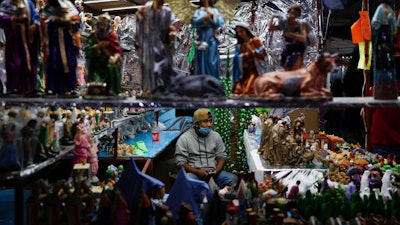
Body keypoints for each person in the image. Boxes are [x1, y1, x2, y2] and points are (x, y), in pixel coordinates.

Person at [175, 108, 237, 188]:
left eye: (210, 121)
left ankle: (222, 198)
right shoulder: (184, 138)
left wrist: (216, 171)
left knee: (233, 179)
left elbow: (221, 156)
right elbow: (180, 162)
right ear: (196, 124)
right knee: (187, 181)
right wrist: (198, 172)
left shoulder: (216, 136)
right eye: (205, 121)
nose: (209, 124)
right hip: (194, 173)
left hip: (214, 172)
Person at [135, 0, 176, 96]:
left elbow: (170, 27)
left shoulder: (167, 11)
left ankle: (162, 88)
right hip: (148, 43)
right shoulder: (146, 9)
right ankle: (148, 89)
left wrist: (171, 32)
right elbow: (140, 25)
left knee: (162, 66)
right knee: (147, 66)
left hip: (162, 43)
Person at [40, 0, 81, 96]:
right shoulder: (47, 7)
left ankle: (69, 87)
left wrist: (68, 20)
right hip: (54, 42)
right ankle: (52, 87)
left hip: (68, 42)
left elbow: (76, 21)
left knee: (69, 62)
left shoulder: (68, 4)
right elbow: (42, 22)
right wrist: (53, 21)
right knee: (53, 63)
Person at [0, 0, 40, 96]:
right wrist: (12, 19)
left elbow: (35, 17)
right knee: (15, 63)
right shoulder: (6, 4)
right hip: (13, 38)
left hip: (27, 39)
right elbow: (1, 18)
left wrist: (35, 25)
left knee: (28, 63)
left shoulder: (27, 3)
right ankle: (14, 87)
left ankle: (29, 88)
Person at [85, 12, 123, 96]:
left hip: (108, 61)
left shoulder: (112, 36)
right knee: (95, 73)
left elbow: (118, 51)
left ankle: (112, 90)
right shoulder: (93, 36)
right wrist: (97, 47)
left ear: (108, 26)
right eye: (101, 25)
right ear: (98, 25)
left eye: (104, 25)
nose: (103, 27)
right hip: (96, 64)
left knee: (112, 67)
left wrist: (116, 57)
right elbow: (87, 50)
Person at [371, 0, 397, 100]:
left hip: (387, 34)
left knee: (389, 58)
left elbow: (394, 25)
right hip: (382, 34)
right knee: (382, 57)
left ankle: (389, 86)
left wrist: (390, 17)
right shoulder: (381, 8)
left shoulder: (389, 9)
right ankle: (381, 87)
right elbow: (374, 23)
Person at [268, 4, 307, 71]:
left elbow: (303, 38)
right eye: (292, 13)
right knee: (286, 70)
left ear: (298, 15)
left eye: (295, 14)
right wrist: (273, 17)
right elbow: (271, 28)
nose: (293, 15)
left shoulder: (300, 26)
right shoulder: (286, 25)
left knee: (294, 71)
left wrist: (291, 35)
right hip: (287, 51)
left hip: (297, 52)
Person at [191, 0, 224, 79]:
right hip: (201, 39)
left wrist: (212, 16)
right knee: (201, 61)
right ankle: (201, 81)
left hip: (211, 39)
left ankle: (212, 81)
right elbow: (194, 22)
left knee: (211, 61)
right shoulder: (198, 11)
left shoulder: (214, 10)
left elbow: (220, 23)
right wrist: (203, 18)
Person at [232, 22, 267, 96]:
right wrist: (244, 56)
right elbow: (236, 56)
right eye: (238, 32)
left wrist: (253, 52)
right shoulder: (240, 45)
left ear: (246, 31)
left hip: (254, 71)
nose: (240, 34)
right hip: (244, 71)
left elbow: (263, 53)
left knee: (249, 90)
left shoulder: (255, 40)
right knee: (237, 90)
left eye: (241, 31)